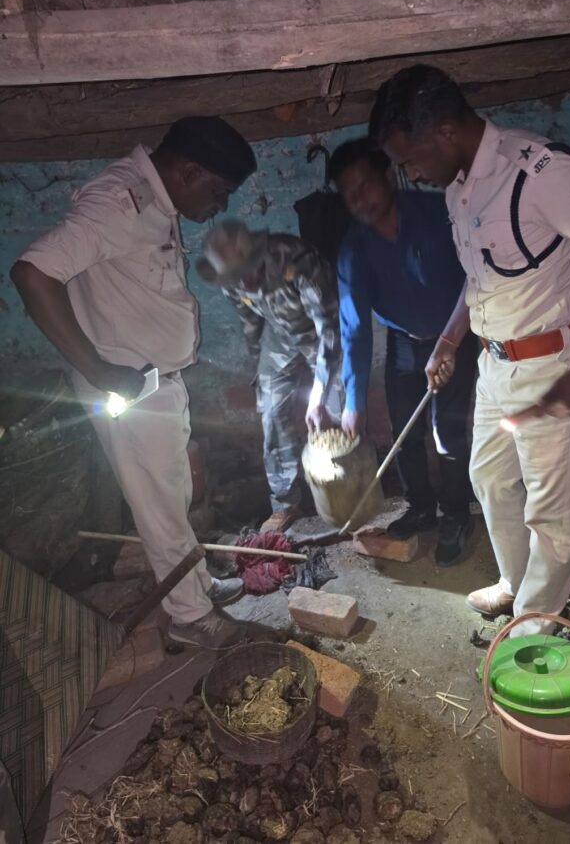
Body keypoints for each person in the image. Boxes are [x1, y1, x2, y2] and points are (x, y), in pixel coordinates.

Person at [369, 65, 570, 635]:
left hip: (553, 366)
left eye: (411, 159)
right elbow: (481, 280)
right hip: (494, 364)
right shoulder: (459, 188)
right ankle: (516, 584)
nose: (411, 174)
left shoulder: (540, 173)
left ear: (446, 131)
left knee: (551, 514)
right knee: (489, 479)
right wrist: (449, 340)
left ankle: (535, 625)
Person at [11, 117, 258, 650]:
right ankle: (192, 618)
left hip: (157, 382)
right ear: (188, 171)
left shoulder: (154, 201)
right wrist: (98, 371)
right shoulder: (117, 204)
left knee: (174, 496)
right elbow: (32, 274)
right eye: (218, 191)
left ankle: (195, 585)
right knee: (160, 508)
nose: (219, 206)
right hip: (128, 388)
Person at [329, 138, 478, 565]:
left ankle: (456, 514)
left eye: (365, 185)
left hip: (454, 337)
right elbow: (354, 328)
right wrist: (353, 403)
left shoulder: (439, 213)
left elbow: (476, 275)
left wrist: (452, 342)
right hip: (404, 344)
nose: (360, 199)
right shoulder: (353, 249)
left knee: (448, 430)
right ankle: (421, 508)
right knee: (404, 433)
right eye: (349, 193)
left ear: (388, 176)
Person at [197, 220, 341, 532]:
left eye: (246, 271)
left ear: (258, 254)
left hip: (319, 334)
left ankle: (346, 494)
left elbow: (328, 332)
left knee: (337, 410)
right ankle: (285, 503)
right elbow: (250, 321)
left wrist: (319, 395)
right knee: (272, 413)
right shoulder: (229, 280)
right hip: (279, 336)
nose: (242, 282)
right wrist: (260, 369)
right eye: (234, 277)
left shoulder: (299, 262)